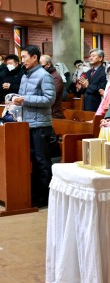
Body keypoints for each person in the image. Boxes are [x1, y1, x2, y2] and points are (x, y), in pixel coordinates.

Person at [13, 45, 55, 207]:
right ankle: (35, 193)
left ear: (34, 57)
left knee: (42, 162)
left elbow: (49, 99)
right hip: (27, 124)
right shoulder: (25, 76)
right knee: (32, 161)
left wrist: (25, 99)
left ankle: (45, 197)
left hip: (41, 126)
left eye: (24, 57)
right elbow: (24, 97)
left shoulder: (44, 76)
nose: (22, 60)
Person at [40, 55, 65, 120]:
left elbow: (50, 96)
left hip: (53, 113)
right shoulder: (46, 75)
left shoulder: (55, 77)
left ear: (48, 64)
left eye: (41, 66)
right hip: (46, 112)